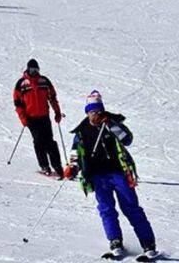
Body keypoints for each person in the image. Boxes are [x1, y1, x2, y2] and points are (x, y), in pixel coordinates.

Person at [64, 91, 158, 260]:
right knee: (106, 210)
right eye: (93, 112)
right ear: (87, 112)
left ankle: (148, 244)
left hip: (118, 173)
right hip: (98, 177)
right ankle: (115, 241)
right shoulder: (82, 131)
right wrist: (72, 167)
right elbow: (75, 153)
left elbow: (127, 139)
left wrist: (111, 125)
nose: (96, 115)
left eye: (99, 111)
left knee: (131, 207)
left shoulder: (111, 124)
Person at [13, 59, 66, 177]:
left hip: (44, 117)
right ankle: (44, 165)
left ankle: (57, 166)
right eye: (32, 70)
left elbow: (52, 98)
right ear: (28, 69)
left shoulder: (44, 81)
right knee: (39, 141)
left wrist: (57, 112)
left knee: (50, 142)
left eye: (36, 69)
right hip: (31, 118)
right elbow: (18, 104)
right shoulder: (21, 84)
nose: (34, 72)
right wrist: (23, 118)